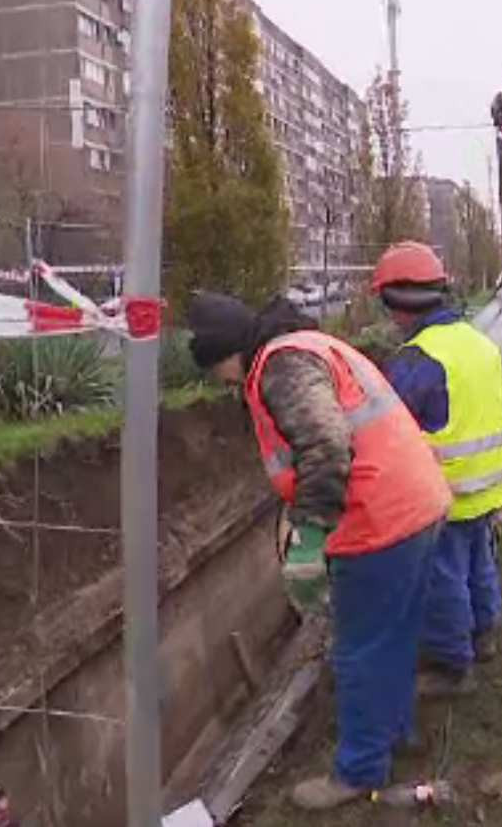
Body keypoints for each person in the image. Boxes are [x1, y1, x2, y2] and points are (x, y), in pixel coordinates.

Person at [188, 292, 451, 811]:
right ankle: (396, 732)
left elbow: (327, 443)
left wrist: (308, 537)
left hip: (379, 520)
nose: (221, 382)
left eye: (215, 369)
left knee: (358, 648)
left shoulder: (278, 366)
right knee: (392, 634)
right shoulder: (308, 344)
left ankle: (358, 772)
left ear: (225, 353)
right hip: (417, 503)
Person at [371, 242, 502, 696]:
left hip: (443, 491)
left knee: (442, 578)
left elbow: (388, 427)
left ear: (401, 301)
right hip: (487, 485)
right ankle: (483, 634)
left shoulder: (417, 358)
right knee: (479, 562)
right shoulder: (480, 344)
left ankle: (453, 665)